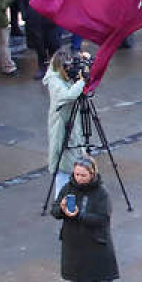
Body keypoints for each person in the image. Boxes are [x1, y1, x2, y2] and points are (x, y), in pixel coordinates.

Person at [50, 157, 120, 282]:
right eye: (76, 174)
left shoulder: (101, 193)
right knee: (82, 279)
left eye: (83, 175)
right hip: (75, 242)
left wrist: (79, 215)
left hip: (97, 243)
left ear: (92, 174)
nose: (79, 178)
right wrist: (62, 210)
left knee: (104, 280)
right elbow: (55, 210)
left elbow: (103, 219)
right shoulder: (68, 188)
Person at [45, 48, 87, 196]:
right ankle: (60, 198)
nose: (71, 70)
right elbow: (68, 95)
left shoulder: (63, 77)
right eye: (68, 67)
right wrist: (81, 82)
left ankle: (75, 192)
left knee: (73, 155)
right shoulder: (55, 81)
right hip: (61, 125)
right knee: (63, 161)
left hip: (71, 122)